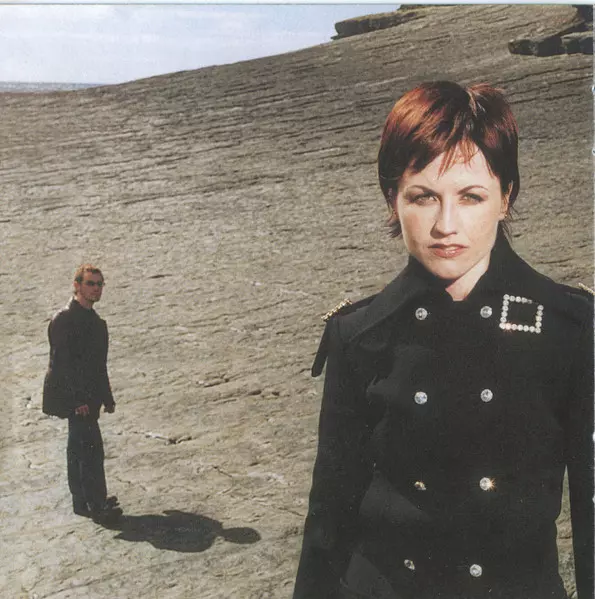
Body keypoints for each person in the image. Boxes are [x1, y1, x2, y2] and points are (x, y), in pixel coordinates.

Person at [293, 81, 593, 599]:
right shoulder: (360, 335)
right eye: (423, 197)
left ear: (506, 197)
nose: (445, 225)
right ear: (392, 199)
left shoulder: (569, 329)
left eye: (470, 197)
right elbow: (329, 519)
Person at [43, 264, 122, 524]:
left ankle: (83, 501)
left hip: (89, 397)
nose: (96, 289)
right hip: (75, 398)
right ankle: (96, 504)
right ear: (77, 286)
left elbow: (99, 365)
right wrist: (76, 400)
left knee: (78, 448)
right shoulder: (64, 320)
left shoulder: (97, 323)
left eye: (99, 284)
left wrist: (107, 397)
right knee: (91, 450)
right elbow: (61, 365)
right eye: (90, 283)